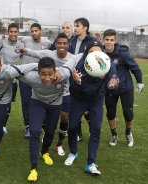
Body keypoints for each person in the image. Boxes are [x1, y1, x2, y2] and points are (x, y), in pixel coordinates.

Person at [17, 33, 82, 156]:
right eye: (59, 43)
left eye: (64, 43)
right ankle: (45, 134)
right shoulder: (49, 54)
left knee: (64, 117)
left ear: (68, 45)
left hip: (64, 92)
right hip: (46, 91)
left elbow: (82, 58)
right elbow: (34, 53)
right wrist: (24, 50)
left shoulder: (72, 58)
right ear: (56, 44)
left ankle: (59, 144)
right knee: (45, 118)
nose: (62, 45)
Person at [64, 41, 119, 176]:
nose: (94, 54)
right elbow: (72, 87)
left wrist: (112, 84)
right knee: (72, 127)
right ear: (86, 53)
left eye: (97, 52)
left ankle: (91, 163)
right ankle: (73, 152)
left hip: (96, 100)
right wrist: (77, 82)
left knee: (96, 129)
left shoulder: (107, 62)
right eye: (91, 52)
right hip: (79, 99)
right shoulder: (80, 63)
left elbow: (113, 79)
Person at [19, 57, 77, 182]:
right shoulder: (31, 77)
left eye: (50, 74)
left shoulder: (63, 74)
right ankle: (33, 169)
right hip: (37, 103)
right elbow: (11, 72)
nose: (47, 78)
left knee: (50, 132)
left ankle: (44, 152)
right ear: (38, 72)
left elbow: (75, 59)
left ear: (55, 71)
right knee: (34, 132)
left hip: (55, 105)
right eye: (43, 74)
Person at [103, 29, 144, 147]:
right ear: (103, 40)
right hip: (109, 89)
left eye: (111, 40)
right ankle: (114, 134)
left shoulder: (123, 53)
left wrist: (140, 82)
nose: (109, 42)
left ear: (115, 41)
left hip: (126, 88)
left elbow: (135, 68)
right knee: (110, 113)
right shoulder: (100, 53)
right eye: (107, 40)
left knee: (128, 114)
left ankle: (128, 133)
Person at [19, 23, 52, 138]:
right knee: (26, 102)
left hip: (40, 78)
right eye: (32, 31)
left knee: (42, 101)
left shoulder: (47, 43)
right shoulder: (24, 40)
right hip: (25, 77)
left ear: (40, 30)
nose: (34, 33)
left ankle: (42, 125)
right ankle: (28, 127)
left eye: (36, 30)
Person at [68, 17, 95, 141]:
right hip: (73, 77)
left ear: (85, 28)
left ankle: (92, 128)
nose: (75, 28)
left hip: (87, 79)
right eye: (74, 25)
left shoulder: (92, 42)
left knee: (87, 108)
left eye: (77, 25)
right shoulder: (72, 40)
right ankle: (77, 132)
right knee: (74, 106)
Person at [0, 23, 24, 135]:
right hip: (1, 78)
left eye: (15, 32)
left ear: (18, 33)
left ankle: (3, 126)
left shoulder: (21, 45)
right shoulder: (2, 41)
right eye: (11, 31)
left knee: (8, 103)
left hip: (13, 80)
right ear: (8, 32)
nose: (13, 34)